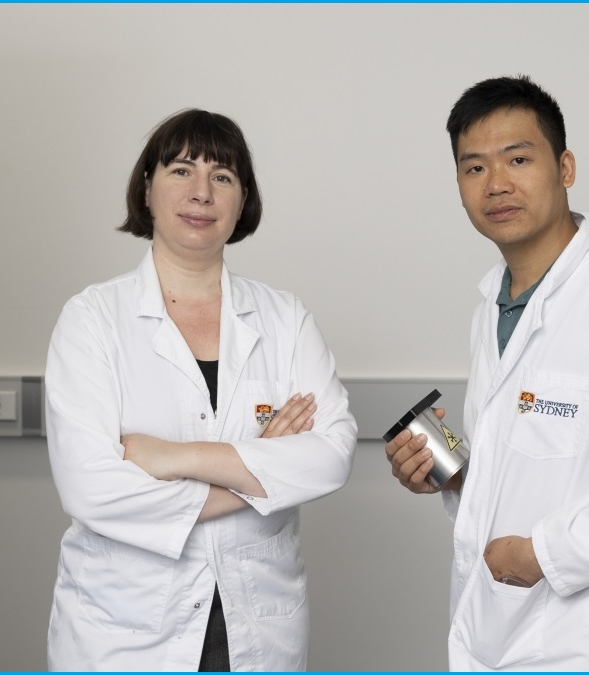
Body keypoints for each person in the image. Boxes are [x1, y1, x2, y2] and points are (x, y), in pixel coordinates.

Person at [384, 75, 589, 670]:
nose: (496, 184)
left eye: (518, 159)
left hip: (582, 642)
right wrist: (449, 474)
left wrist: (546, 555)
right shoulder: (492, 307)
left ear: (565, 167)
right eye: (473, 168)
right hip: (493, 632)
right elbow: (525, 467)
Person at [45, 109, 358, 671]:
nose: (201, 192)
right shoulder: (93, 319)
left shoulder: (284, 319)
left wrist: (175, 457)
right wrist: (259, 478)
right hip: (125, 633)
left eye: (223, 176)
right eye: (181, 170)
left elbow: (332, 456)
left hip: (257, 627)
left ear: (242, 201)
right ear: (146, 189)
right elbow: (91, 488)